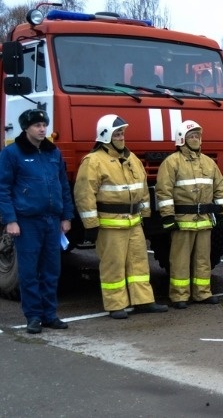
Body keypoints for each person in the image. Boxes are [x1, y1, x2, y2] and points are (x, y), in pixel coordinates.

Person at [75, 115, 168, 319]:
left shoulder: (131, 158)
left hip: (134, 223)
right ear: (105, 135)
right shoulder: (93, 161)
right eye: (117, 134)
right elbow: (84, 194)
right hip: (110, 224)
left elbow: (143, 188)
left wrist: (146, 215)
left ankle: (143, 301)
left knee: (139, 263)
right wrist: (91, 224)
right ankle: (115, 304)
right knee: (113, 265)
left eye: (122, 133)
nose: (121, 137)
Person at [0, 109, 75, 334]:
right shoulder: (12, 153)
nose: (42, 129)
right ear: (26, 128)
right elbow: (1, 189)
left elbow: (63, 186)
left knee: (51, 270)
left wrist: (66, 216)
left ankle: (50, 315)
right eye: (37, 125)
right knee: (29, 271)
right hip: (27, 221)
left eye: (44, 125)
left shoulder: (53, 152)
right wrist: (10, 219)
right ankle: (33, 316)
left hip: (52, 220)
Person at [155, 120, 223, 308]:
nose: (195, 139)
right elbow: (164, 192)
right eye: (191, 136)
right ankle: (179, 296)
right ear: (182, 139)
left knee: (203, 260)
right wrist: (168, 217)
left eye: (197, 136)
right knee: (180, 260)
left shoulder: (209, 163)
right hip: (182, 221)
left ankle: (202, 293)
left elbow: (220, 190)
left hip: (204, 221)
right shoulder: (171, 162)